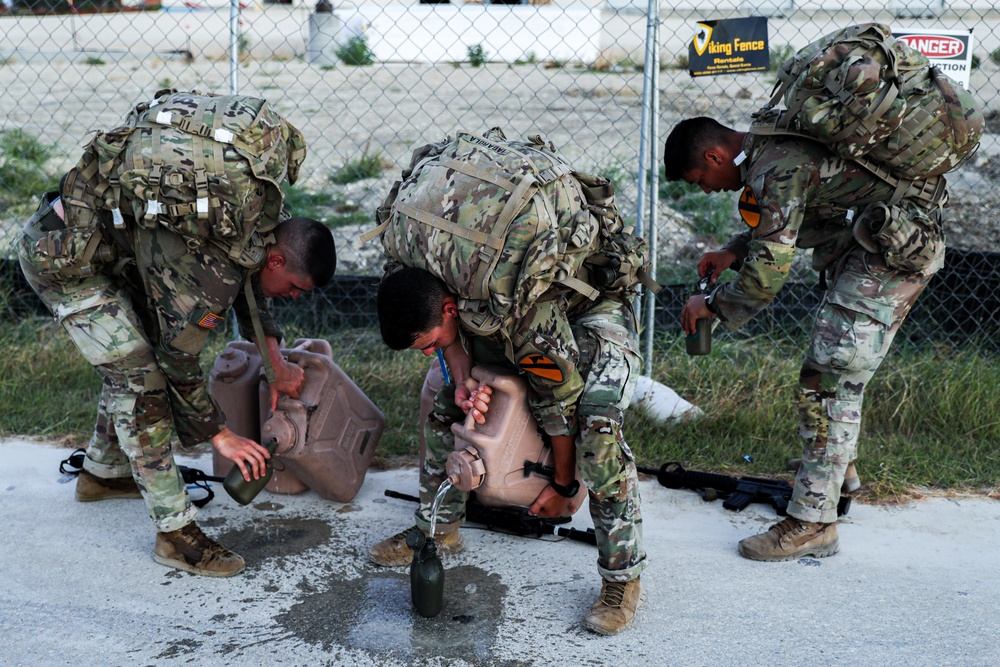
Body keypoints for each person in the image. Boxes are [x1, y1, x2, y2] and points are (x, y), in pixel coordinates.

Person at [16, 101, 336, 577]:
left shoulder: (255, 214)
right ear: (278, 261)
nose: (290, 297)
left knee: (134, 362)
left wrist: (275, 362)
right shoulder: (213, 276)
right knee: (141, 384)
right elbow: (178, 362)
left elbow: (252, 286)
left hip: (109, 255)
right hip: (64, 262)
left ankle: (102, 476)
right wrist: (219, 435)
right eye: (294, 287)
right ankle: (175, 535)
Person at [664, 116, 945, 561]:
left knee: (830, 375)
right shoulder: (767, 146)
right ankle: (835, 472)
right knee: (828, 371)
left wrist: (712, 306)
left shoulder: (772, 166)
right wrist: (734, 250)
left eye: (701, 179)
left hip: (892, 247)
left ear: (714, 156)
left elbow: (765, 279)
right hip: (870, 242)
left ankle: (814, 522)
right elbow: (787, 219)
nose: (706, 190)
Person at [371, 265, 646, 635]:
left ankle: (621, 579)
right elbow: (454, 349)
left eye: (429, 345)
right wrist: (463, 383)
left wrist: (563, 487)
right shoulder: (451, 276)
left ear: (450, 310)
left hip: (590, 319)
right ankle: (441, 530)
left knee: (598, 435)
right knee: (446, 408)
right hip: (515, 326)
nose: (426, 355)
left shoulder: (520, 312)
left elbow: (556, 400)